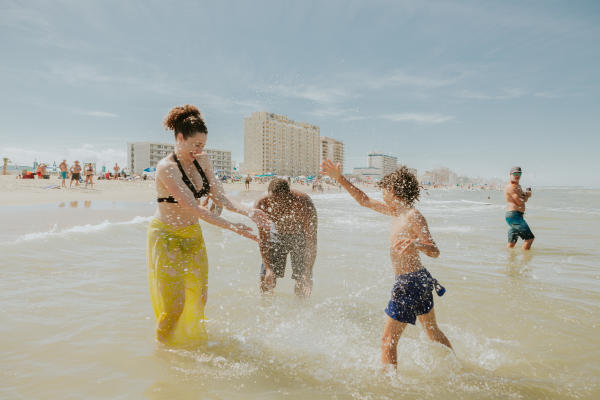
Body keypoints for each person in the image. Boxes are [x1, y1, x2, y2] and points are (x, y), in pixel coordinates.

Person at [148, 104, 269, 347]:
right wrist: (233, 227)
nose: (199, 150)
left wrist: (248, 212)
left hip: (193, 235)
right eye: (195, 145)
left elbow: (219, 197)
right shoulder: (166, 168)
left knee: (199, 298)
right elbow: (195, 207)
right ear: (180, 138)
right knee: (175, 305)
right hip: (167, 236)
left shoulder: (202, 161)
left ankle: (190, 345)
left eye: (202, 145)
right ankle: (163, 353)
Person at [321, 159, 452, 368]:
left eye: (383, 190)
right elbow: (364, 200)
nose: (381, 194)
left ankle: (387, 387)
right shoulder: (396, 213)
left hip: (410, 283)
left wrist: (416, 244)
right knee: (432, 331)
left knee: (387, 341)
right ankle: (454, 366)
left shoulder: (413, 216)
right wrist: (340, 179)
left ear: (391, 189)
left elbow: (434, 250)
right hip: (419, 281)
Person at [255, 178, 317, 298]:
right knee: (266, 278)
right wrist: (268, 268)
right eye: (275, 200)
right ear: (269, 195)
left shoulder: (304, 203)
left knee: (302, 280)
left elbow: (312, 240)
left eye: (283, 200)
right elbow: (263, 239)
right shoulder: (262, 204)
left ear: (290, 194)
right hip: (276, 235)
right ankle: (265, 308)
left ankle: (300, 309)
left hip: (300, 237)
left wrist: (308, 271)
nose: (279, 204)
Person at [504, 166, 534, 250]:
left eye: (519, 173)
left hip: (515, 217)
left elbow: (522, 199)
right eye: (515, 174)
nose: (517, 175)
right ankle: (525, 261)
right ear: (510, 174)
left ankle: (509, 261)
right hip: (514, 216)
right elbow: (519, 202)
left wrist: (527, 195)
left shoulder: (518, 186)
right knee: (529, 239)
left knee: (512, 243)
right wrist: (527, 196)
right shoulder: (511, 187)